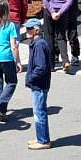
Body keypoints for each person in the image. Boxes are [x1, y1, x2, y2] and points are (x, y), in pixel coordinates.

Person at [40, 0, 79, 72]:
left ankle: (51, 64)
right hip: (63, 11)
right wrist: (60, 12)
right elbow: (69, 1)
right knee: (61, 36)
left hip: (49, 11)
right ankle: (65, 60)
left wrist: (52, 12)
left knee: (49, 36)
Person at [22, 18, 53, 149]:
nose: (27, 31)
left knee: (39, 111)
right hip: (39, 83)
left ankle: (43, 140)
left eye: (29, 29)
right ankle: (41, 137)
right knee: (38, 111)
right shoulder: (38, 43)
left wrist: (31, 78)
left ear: (36, 30)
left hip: (39, 84)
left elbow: (41, 67)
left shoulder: (39, 45)